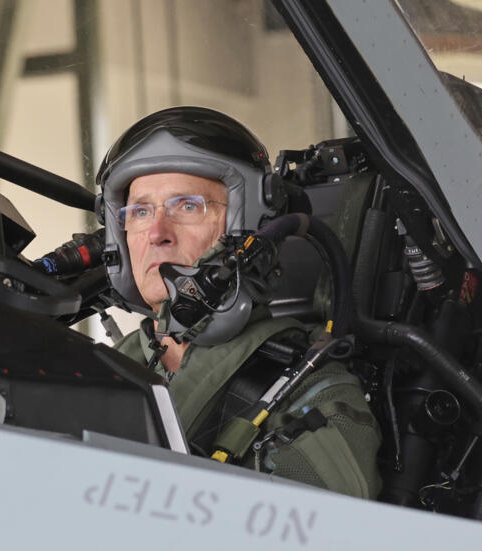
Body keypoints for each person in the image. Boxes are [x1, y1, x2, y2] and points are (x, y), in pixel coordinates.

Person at [97, 106, 381, 498]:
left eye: (188, 206)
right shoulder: (92, 370)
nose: (156, 233)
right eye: (141, 211)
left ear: (247, 226)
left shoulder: (311, 392)